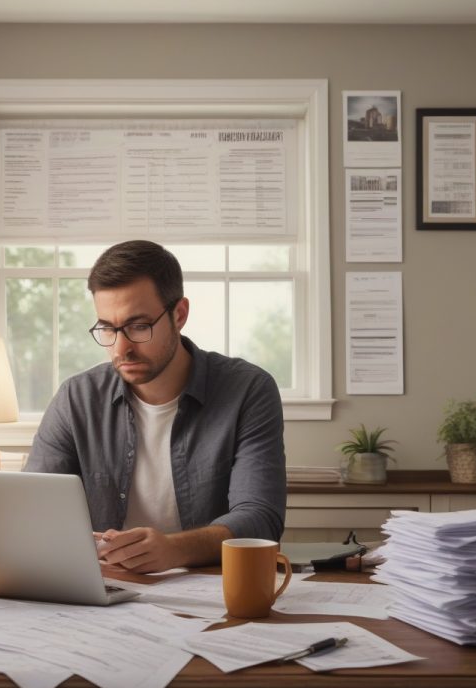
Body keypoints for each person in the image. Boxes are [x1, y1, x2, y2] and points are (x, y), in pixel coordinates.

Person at [26, 240, 286, 573]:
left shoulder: (248, 390)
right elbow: (33, 511)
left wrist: (175, 550)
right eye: (107, 328)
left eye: (138, 326)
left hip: (209, 592)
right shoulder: (76, 399)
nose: (121, 348)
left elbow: (261, 520)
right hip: (103, 591)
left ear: (179, 315)